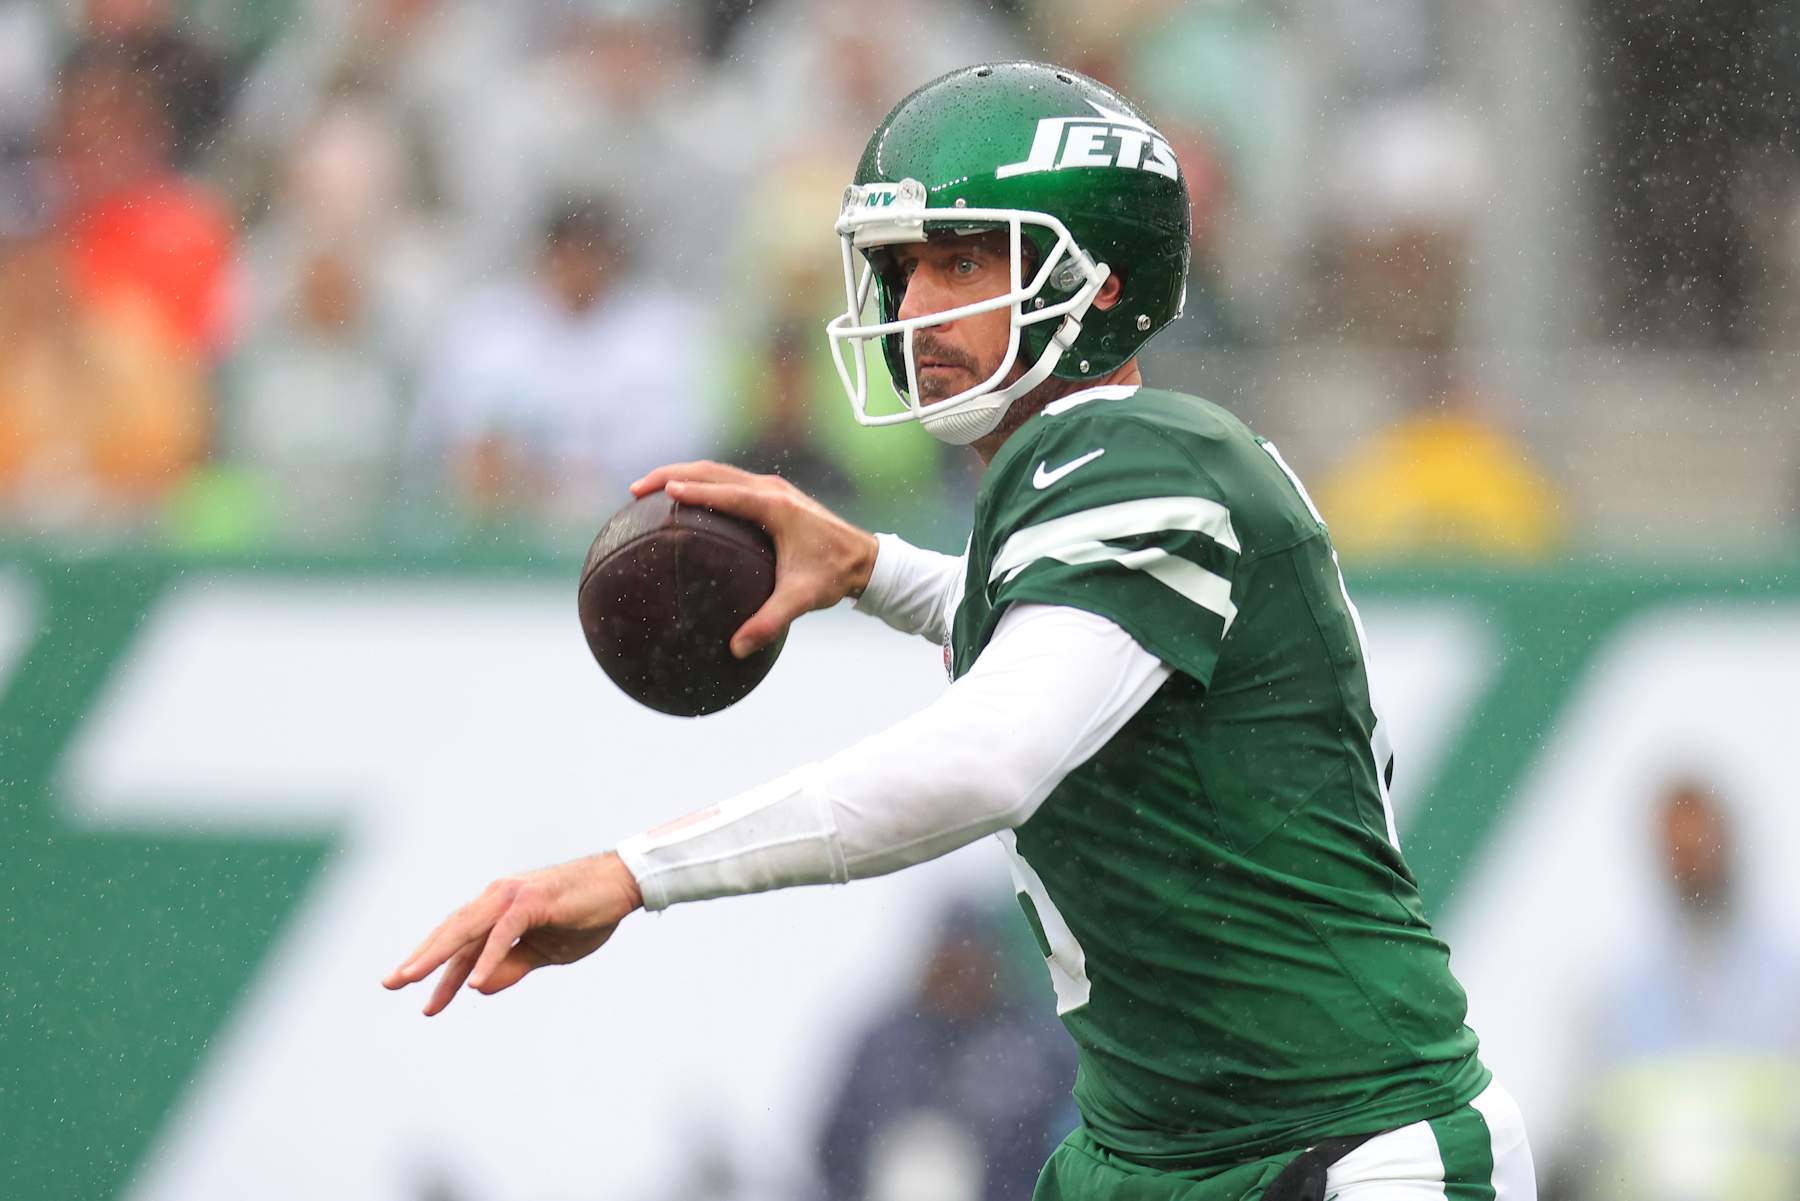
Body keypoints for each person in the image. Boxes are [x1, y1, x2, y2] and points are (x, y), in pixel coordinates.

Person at [385, 63, 1534, 1201]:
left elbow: (992, 753)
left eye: (966, 258)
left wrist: (635, 873)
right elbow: (1064, 632)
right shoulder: (1086, 480)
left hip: (1349, 1142)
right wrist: (875, 569)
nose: (919, 306)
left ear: (1102, 278)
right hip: (1154, 1152)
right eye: (902, 267)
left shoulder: (1142, 457)